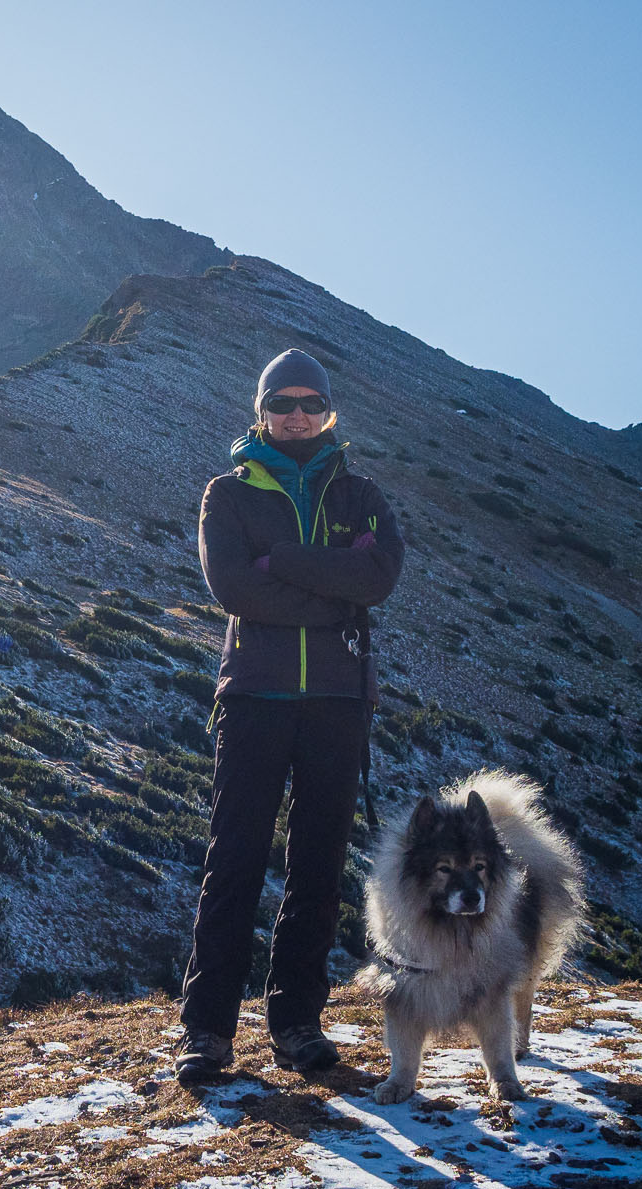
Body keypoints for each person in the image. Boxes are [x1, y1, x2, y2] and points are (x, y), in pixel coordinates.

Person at [175, 348, 405, 1083]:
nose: (297, 414)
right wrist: (334, 586)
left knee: (318, 866)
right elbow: (237, 590)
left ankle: (297, 1026)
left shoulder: (361, 493)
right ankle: (207, 1031)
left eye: (309, 402)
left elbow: (381, 577)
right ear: (261, 411)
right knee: (234, 861)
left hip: (338, 702)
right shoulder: (227, 493)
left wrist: (284, 560)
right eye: (283, 402)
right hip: (252, 699)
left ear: (329, 410)